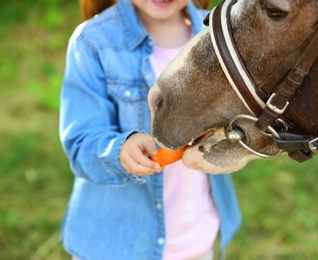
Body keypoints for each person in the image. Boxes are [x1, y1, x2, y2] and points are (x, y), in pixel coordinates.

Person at [59, 0, 241, 259]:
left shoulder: (221, 31)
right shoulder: (93, 41)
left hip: (197, 236)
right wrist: (119, 151)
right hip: (117, 245)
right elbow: (81, 142)